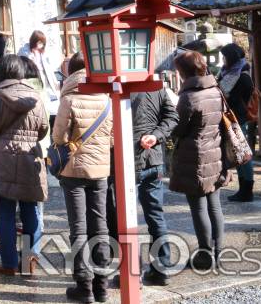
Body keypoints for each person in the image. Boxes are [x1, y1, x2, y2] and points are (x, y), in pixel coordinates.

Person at [106, 67, 179, 286]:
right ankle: (162, 268)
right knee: (155, 215)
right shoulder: (155, 85)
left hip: (126, 160)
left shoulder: (118, 85)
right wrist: (155, 136)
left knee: (125, 218)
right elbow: (172, 116)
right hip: (153, 159)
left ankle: (132, 272)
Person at [0, 55, 48, 275]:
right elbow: (43, 129)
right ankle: (28, 261)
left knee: (6, 213)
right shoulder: (36, 97)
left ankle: (8, 264)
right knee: (30, 211)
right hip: (29, 158)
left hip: (2, 160)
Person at [53, 52, 113, 303]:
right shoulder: (106, 98)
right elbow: (112, 138)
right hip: (100, 170)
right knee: (100, 225)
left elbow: (58, 138)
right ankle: (102, 286)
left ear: (71, 72)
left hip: (74, 171)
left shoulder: (68, 99)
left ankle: (84, 286)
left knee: (78, 228)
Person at [170, 49, 228, 271]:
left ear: (184, 72)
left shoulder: (188, 97)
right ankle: (218, 252)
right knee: (214, 205)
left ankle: (204, 256)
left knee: (198, 207)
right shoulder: (215, 90)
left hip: (194, 156)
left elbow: (178, 129)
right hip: (215, 152)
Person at [218, 43, 255, 202]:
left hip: (238, 119)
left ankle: (247, 190)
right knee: (237, 154)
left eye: (225, 57)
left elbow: (241, 98)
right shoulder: (225, 73)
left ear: (231, 58)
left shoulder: (243, 76)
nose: (223, 60)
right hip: (229, 119)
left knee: (243, 155)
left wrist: (226, 95)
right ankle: (242, 189)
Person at [18, 30, 61, 121]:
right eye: (39, 42)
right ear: (34, 41)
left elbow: (49, 68)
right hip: (33, 78)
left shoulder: (43, 52)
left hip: (45, 77)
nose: (41, 44)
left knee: (49, 98)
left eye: (42, 42)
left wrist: (55, 82)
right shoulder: (24, 51)